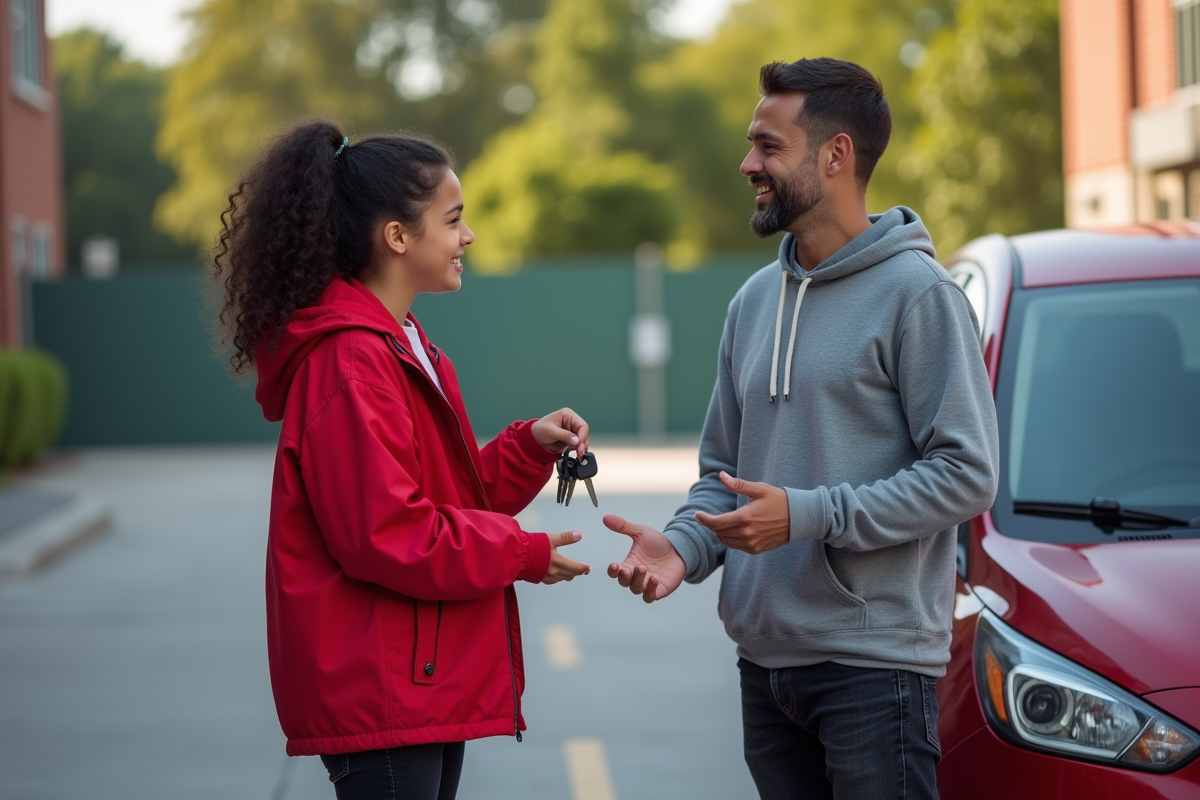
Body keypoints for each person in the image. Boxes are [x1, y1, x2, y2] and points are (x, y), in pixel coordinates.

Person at [604, 58, 999, 799]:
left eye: (768, 146)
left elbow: (967, 474)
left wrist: (808, 515)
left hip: (873, 674)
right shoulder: (752, 303)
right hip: (765, 670)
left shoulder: (920, 297)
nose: (747, 163)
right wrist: (683, 547)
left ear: (836, 155)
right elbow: (721, 471)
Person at [213, 120, 592, 800]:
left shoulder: (403, 344)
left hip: (415, 677)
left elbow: (442, 497)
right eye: (453, 220)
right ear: (397, 236)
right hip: (382, 685)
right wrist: (522, 553)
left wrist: (524, 446)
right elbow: (389, 532)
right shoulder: (352, 361)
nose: (467, 237)